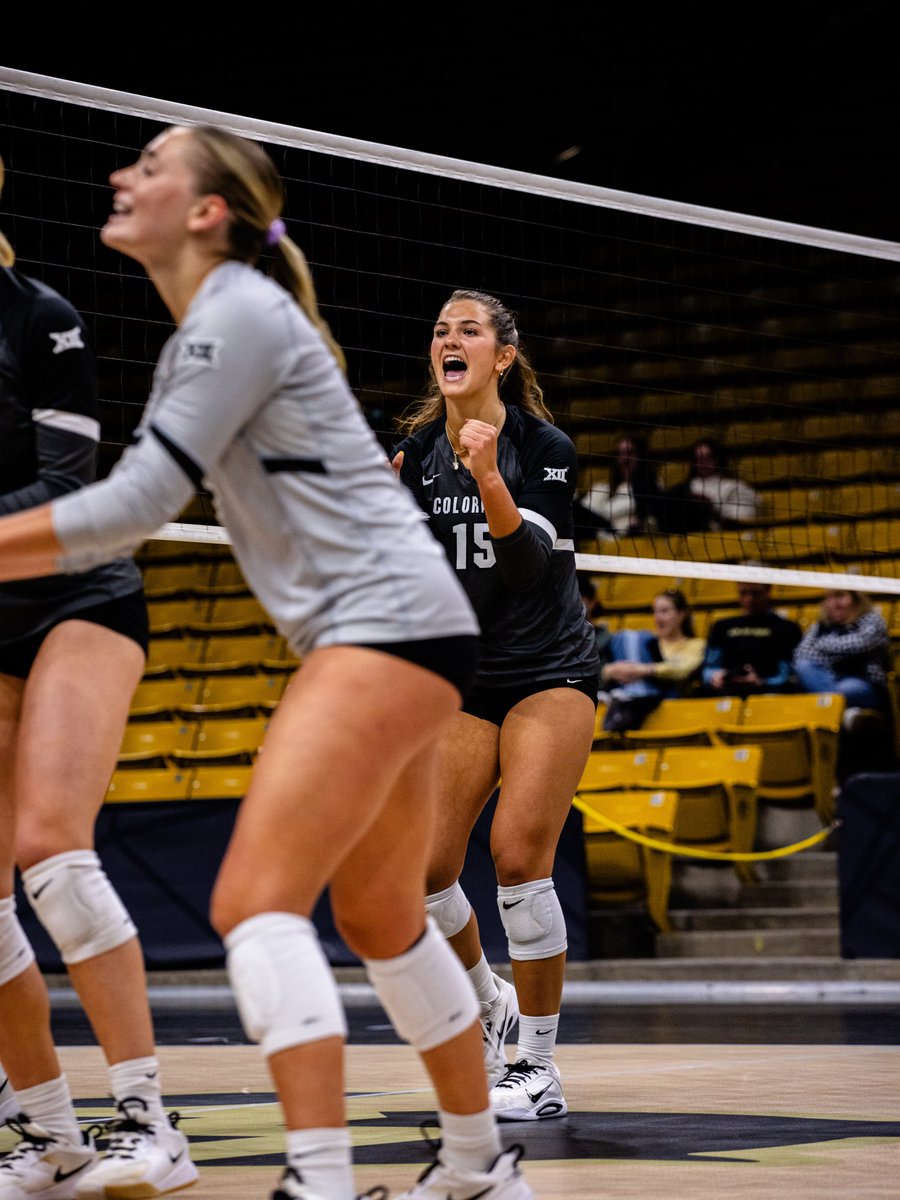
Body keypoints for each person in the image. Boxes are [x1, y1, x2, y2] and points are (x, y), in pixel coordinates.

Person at [0, 129, 535, 1200]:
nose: (120, 176)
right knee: (378, 916)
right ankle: (479, 1165)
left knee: (253, 904)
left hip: (382, 625)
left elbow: (132, 506)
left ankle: (318, 1181)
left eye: (150, 166)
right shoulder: (225, 324)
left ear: (207, 213)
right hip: (410, 627)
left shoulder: (232, 315)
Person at [0, 155, 197, 1199]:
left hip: (77, 593)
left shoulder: (40, 318)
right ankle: (48, 1132)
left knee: (53, 853)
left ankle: (150, 1122)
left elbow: (65, 485)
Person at [391, 289, 600, 1123]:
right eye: (441, 329)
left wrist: (486, 474)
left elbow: (525, 568)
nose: (450, 339)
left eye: (468, 330)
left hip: (550, 670)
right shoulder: (416, 452)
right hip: (469, 677)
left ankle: (539, 1069)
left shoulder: (544, 448)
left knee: (517, 857)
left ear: (502, 357)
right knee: (425, 871)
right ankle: (489, 1003)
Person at [793, 591, 894, 778]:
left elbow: (861, 643)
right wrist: (834, 651)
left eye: (841, 596)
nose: (835, 603)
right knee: (804, 666)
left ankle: (834, 709)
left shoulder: (871, 620)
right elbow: (802, 654)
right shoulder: (820, 626)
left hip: (865, 685)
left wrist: (822, 646)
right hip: (829, 682)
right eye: (831, 598)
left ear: (856, 599)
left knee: (833, 695)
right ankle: (844, 713)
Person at [600, 588, 705, 731]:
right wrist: (611, 670)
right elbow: (608, 669)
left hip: (675, 705)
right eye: (655, 612)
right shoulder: (647, 642)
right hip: (635, 705)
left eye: (664, 611)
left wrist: (641, 670)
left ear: (681, 614)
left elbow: (682, 669)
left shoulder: (696, 645)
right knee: (626, 637)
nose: (658, 618)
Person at [701, 581, 803, 697]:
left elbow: (788, 674)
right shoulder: (721, 626)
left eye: (756, 593)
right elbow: (708, 669)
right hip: (726, 693)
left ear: (768, 590)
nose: (750, 599)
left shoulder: (786, 628)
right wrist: (716, 676)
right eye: (744, 593)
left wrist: (762, 682)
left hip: (770, 694)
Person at [571, 431, 662, 540]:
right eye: (620, 454)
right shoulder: (604, 488)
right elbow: (584, 511)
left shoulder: (650, 485)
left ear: (640, 456)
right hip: (598, 532)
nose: (624, 459)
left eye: (629, 453)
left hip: (621, 534)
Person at [660, 437, 760, 533]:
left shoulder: (735, 486)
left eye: (706, 458)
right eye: (697, 459)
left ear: (718, 458)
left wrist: (712, 505)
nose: (701, 463)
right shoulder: (682, 488)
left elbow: (745, 515)